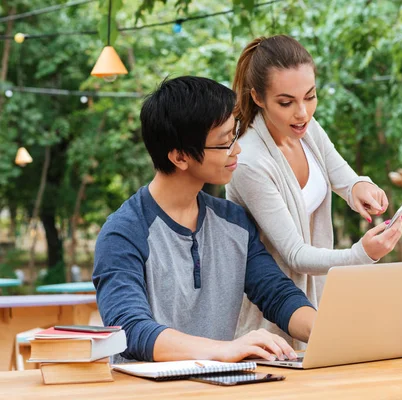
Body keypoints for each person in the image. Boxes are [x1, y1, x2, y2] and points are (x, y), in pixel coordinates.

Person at [93, 76, 316, 363]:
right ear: (180, 157)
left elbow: (277, 294)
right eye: (225, 142)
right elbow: (129, 330)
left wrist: (328, 331)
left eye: (234, 135)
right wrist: (224, 349)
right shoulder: (123, 233)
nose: (237, 149)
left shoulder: (234, 220)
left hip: (220, 386)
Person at [226, 35, 402, 348]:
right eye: (286, 102)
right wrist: (361, 255)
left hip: (317, 305)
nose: (303, 112)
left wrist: (360, 187)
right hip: (270, 318)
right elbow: (294, 254)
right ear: (257, 97)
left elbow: (344, 178)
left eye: (310, 96)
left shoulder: (307, 129)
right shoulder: (250, 161)